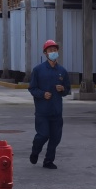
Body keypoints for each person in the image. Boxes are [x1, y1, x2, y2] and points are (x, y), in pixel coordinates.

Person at [28, 39, 70, 169]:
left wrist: (63, 89)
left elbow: (67, 90)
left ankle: (48, 161)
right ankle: (35, 151)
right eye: (50, 50)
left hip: (56, 111)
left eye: (55, 50)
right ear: (45, 53)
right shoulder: (38, 70)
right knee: (43, 135)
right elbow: (32, 88)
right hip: (43, 111)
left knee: (55, 138)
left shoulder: (62, 71)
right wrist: (42, 94)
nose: (53, 52)